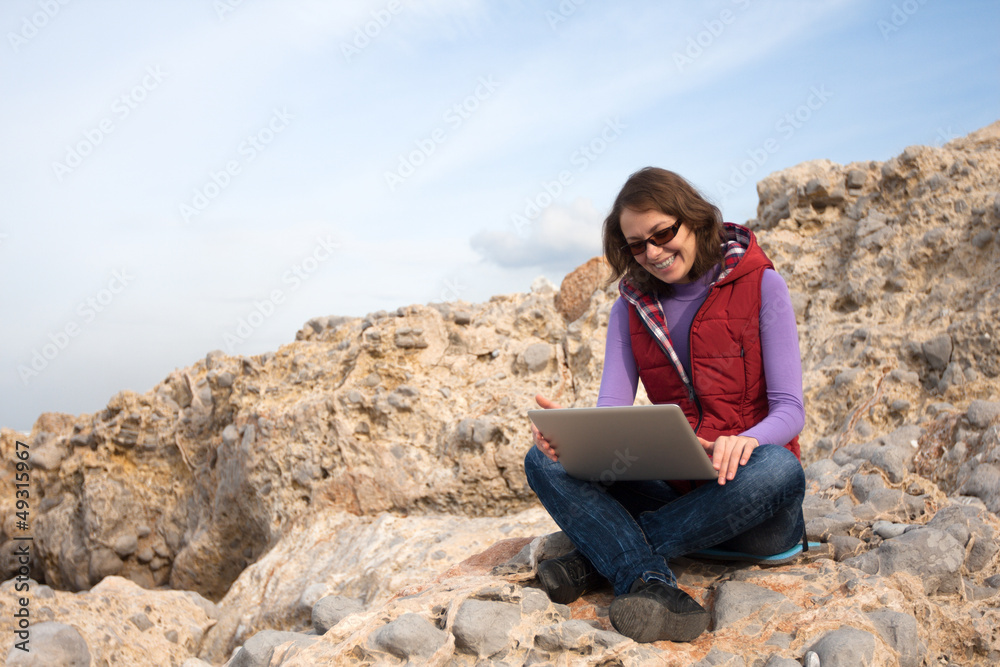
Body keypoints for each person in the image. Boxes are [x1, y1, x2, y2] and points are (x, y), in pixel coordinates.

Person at [524, 167, 806, 644]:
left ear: (693, 219)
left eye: (662, 233)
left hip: (752, 506)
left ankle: (601, 558)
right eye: (637, 245)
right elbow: (613, 413)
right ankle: (647, 577)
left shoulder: (763, 285)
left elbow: (790, 410)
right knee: (541, 462)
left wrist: (746, 441)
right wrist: (571, 440)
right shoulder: (628, 308)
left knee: (780, 467)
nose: (653, 252)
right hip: (677, 496)